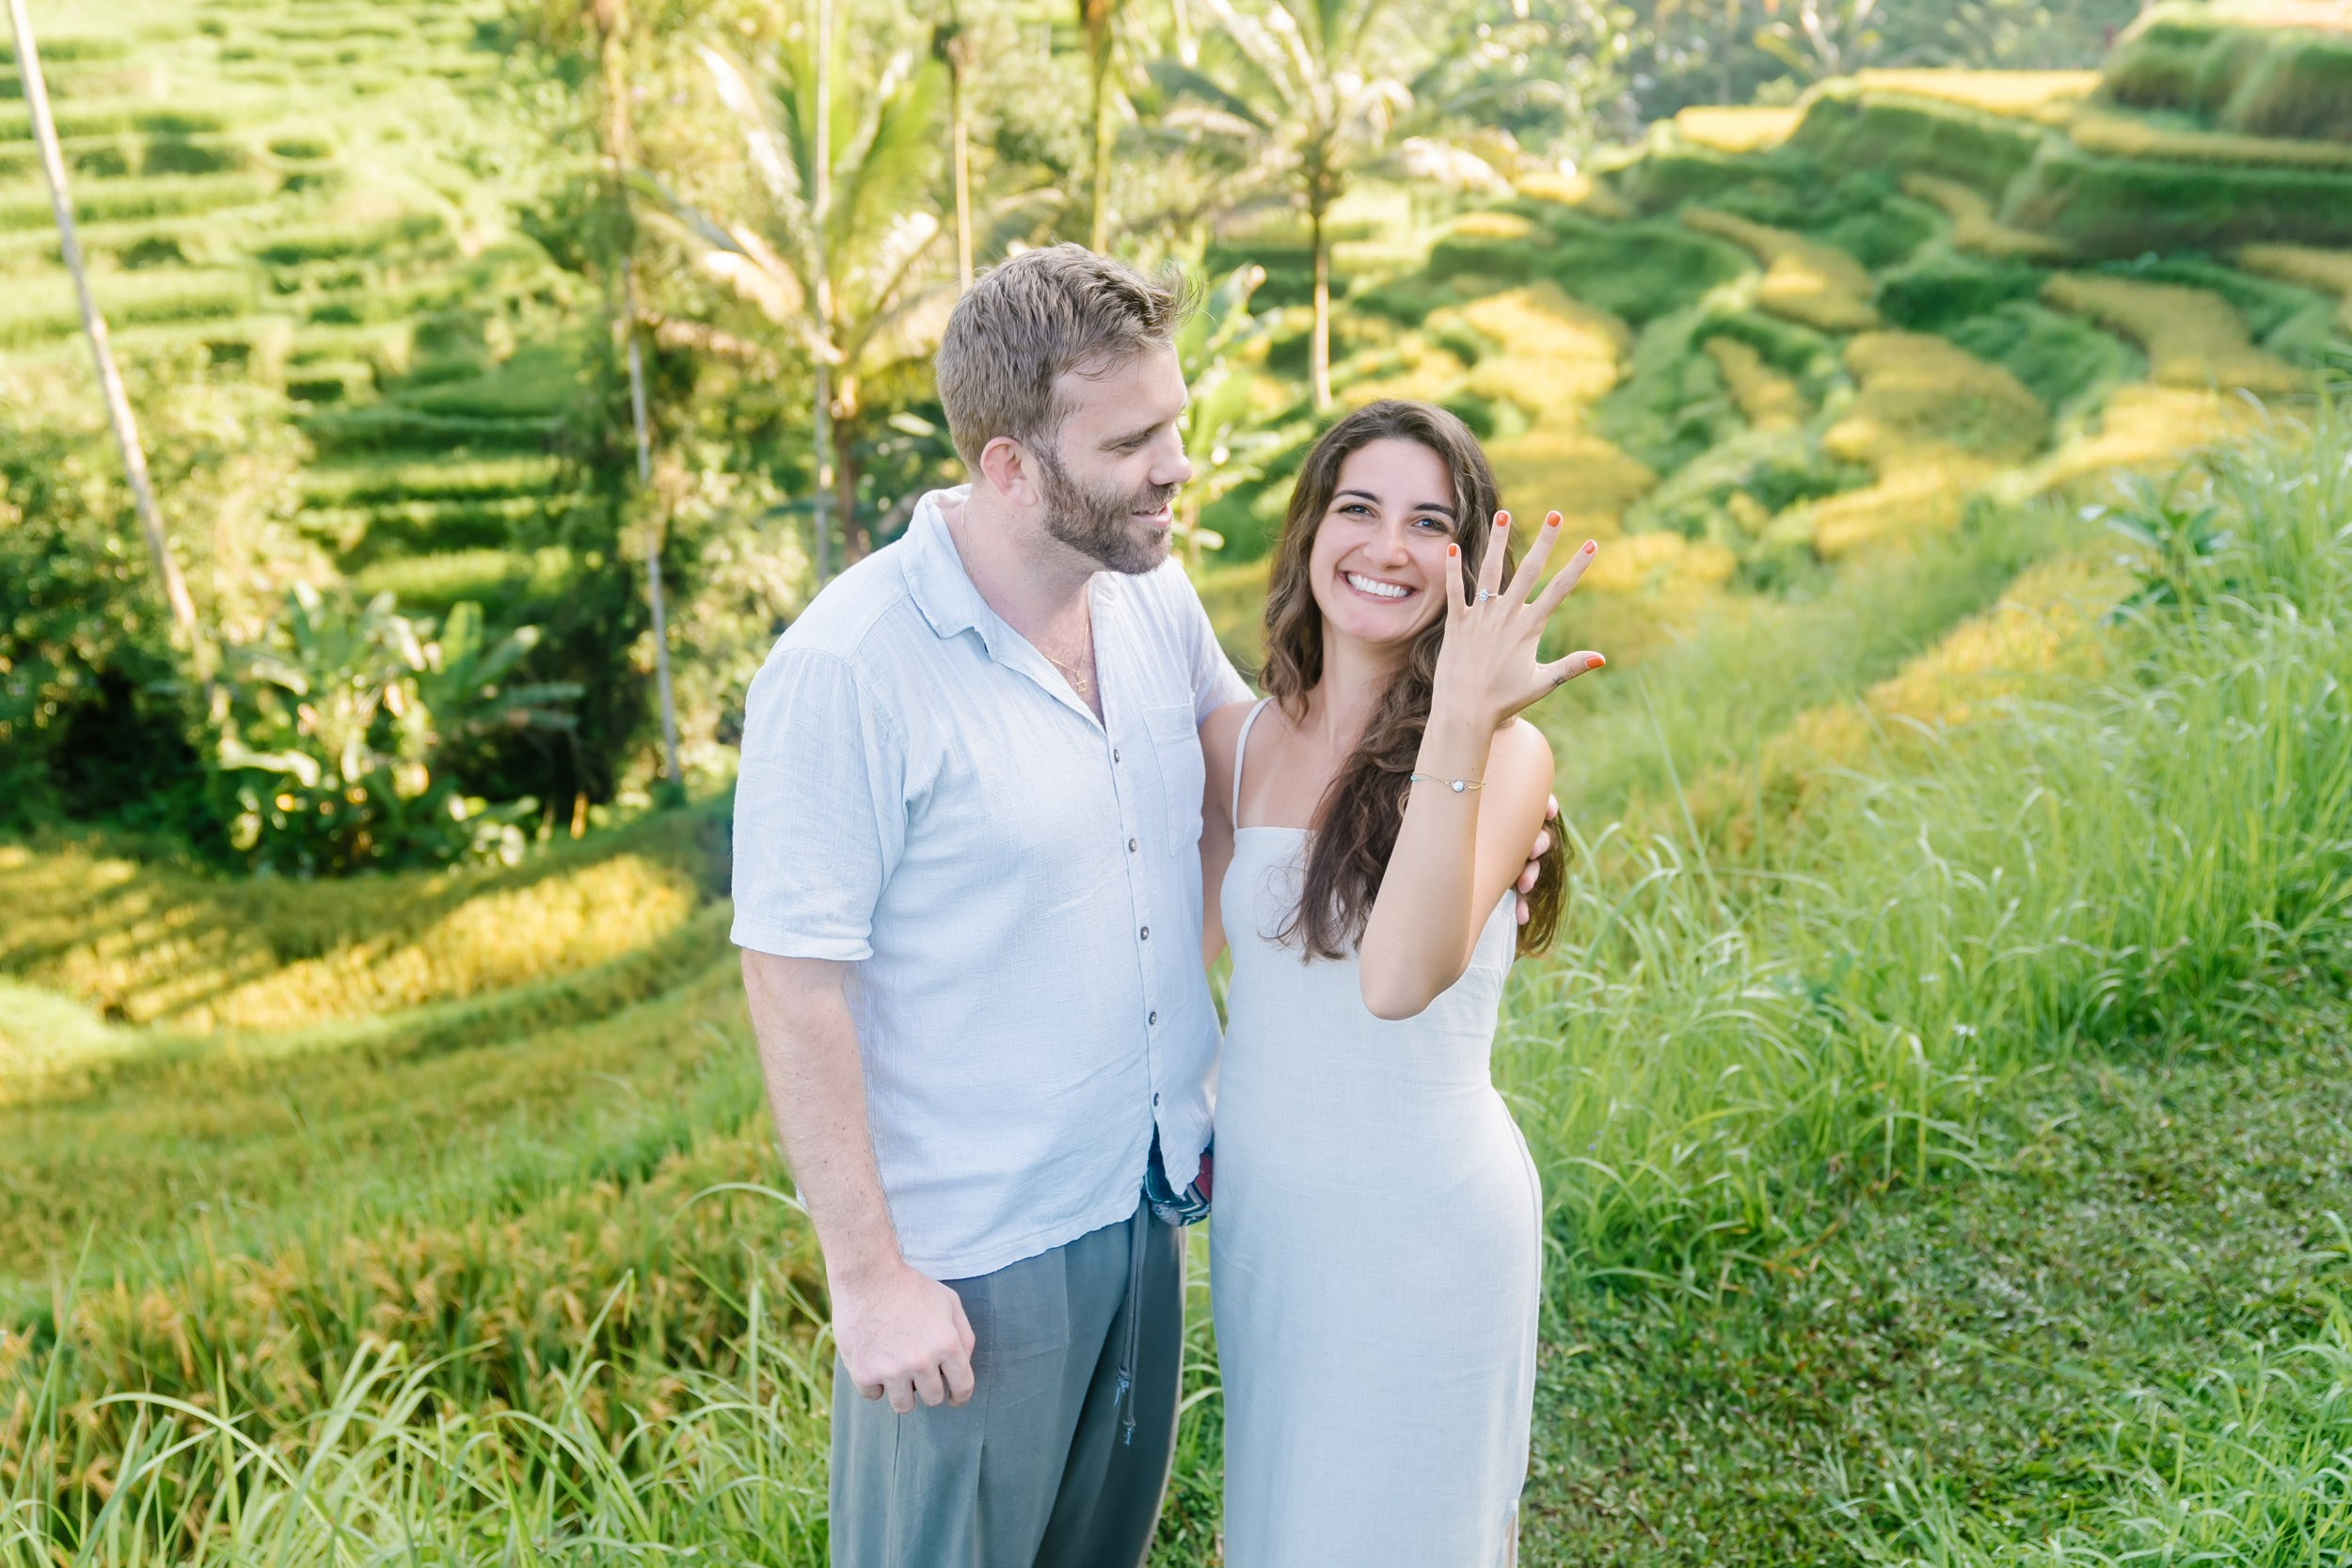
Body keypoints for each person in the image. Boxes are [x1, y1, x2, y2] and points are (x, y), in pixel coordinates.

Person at [733, 245, 1554, 1567]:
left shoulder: (1145, 595)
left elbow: (1272, 793)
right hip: (976, 1254)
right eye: (1132, 441)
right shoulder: (849, 666)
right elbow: (791, 975)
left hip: (1151, 1208)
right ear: (1012, 465)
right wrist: (870, 1277)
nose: (1176, 465)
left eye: (1173, 423)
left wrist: (1483, 798)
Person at [1200, 399, 1602, 1568]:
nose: (1386, 546)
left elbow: (1397, 977)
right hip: (1270, 1223)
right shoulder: (1238, 743)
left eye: (1429, 523)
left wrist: (1462, 720)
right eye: (1357, 507)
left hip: (1422, 1225)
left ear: (1469, 567)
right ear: (1309, 529)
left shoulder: (1505, 753)